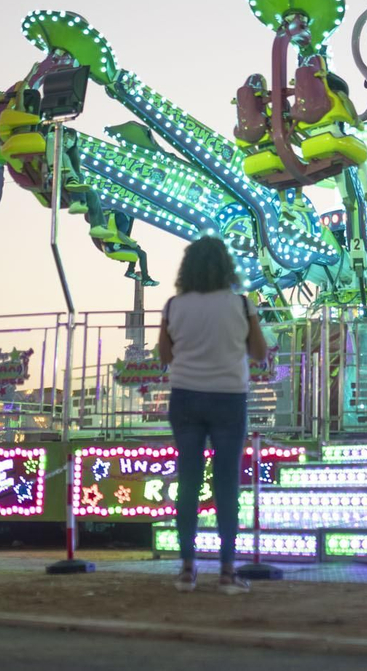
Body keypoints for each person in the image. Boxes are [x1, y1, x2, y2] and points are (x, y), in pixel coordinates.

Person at [157, 236, 268, 596]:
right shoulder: (240, 303)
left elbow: (165, 356)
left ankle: (187, 570)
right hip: (228, 397)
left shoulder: (174, 305)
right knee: (226, 485)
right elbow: (259, 351)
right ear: (226, 267)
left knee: (188, 483)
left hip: (186, 397)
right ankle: (226, 571)